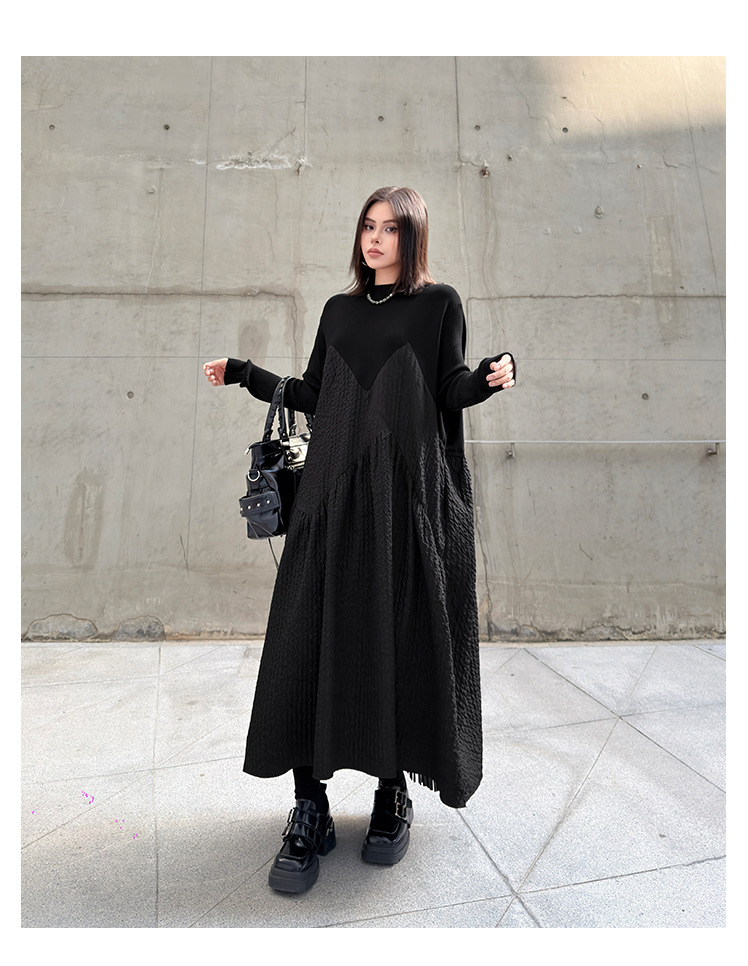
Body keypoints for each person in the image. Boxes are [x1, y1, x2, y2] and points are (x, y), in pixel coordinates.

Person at [203, 186, 515, 894]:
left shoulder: (439, 305)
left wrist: (494, 376)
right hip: (330, 502)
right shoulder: (338, 310)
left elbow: (451, 388)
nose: (375, 239)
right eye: (368, 226)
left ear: (413, 237)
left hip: (403, 507)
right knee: (308, 644)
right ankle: (307, 806)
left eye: (390, 229)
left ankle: (390, 794)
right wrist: (245, 374)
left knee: (393, 643)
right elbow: (314, 393)